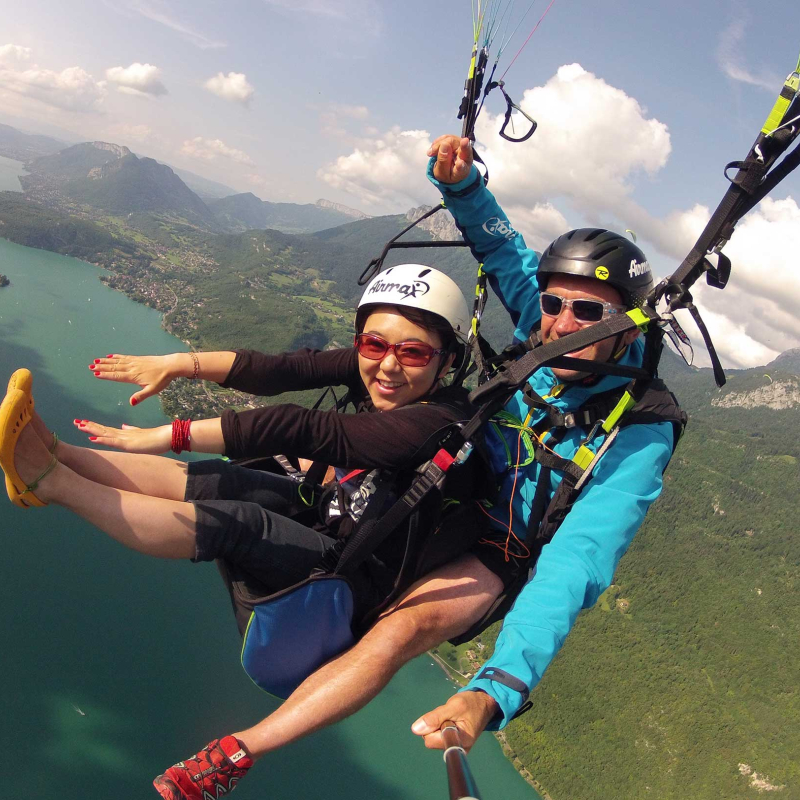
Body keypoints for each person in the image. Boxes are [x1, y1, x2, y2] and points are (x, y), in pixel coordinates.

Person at [0, 265, 502, 800]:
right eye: (372, 343)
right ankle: (60, 453)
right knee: (230, 479)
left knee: (242, 523)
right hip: (335, 519)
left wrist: (168, 434)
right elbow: (277, 369)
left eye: (414, 352)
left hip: (347, 585)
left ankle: (50, 482)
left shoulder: (435, 423)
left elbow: (299, 426)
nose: (387, 364)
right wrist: (177, 363)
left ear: (447, 360)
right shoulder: (384, 367)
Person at [403, 135, 684, 751]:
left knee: (401, 625)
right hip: (455, 479)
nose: (561, 322)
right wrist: (462, 185)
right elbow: (505, 251)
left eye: (589, 311)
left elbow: (577, 560)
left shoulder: (640, 426)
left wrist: (495, 687)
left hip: (501, 545)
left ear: (627, 323)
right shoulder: (553, 323)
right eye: (554, 302)